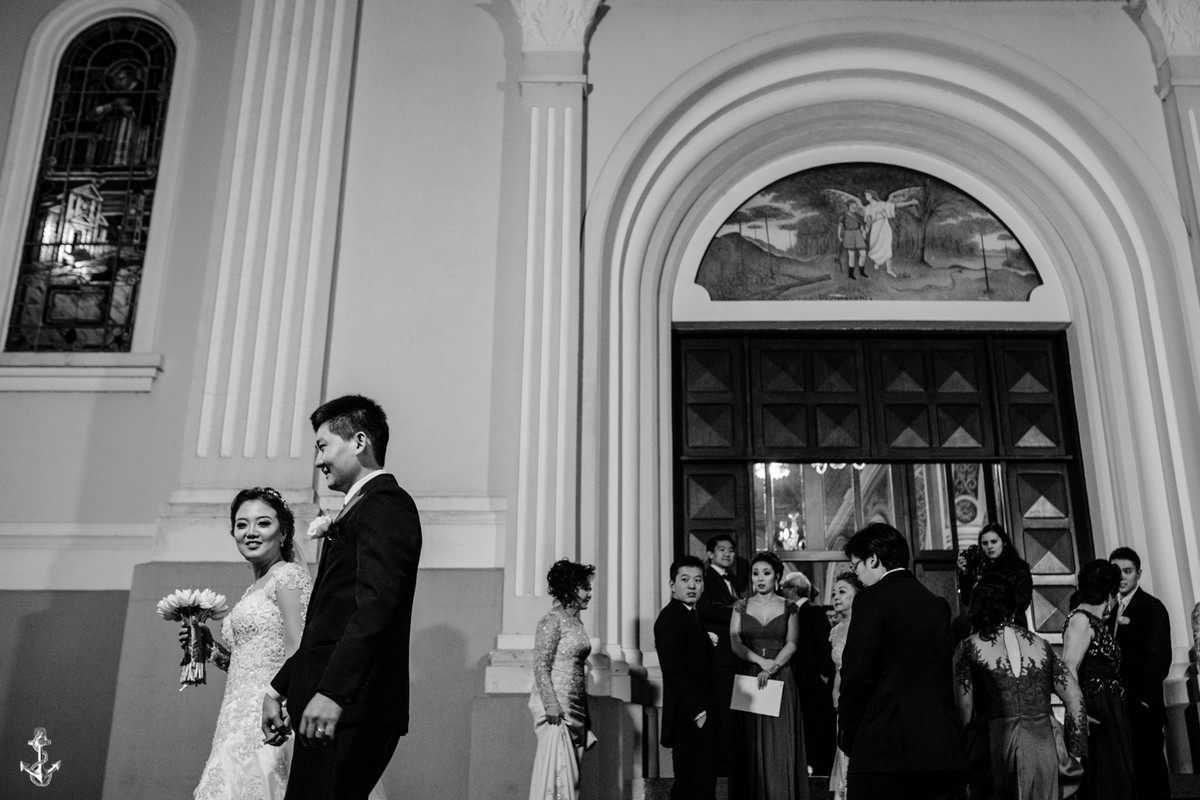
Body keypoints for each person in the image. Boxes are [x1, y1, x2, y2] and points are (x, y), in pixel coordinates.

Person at [262, 395, 423, 800]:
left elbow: (376, 606)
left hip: (350, 706)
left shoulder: (386, 505)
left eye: (323, 446)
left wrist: (334, 692)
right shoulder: (361, 509)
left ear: (359, 441)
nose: (318, 461)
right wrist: (279, 688)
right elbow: (331, 621)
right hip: (334, 703)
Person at [192, 488, 313, 800]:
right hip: (234, 722)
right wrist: (212, 650)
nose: (251, 532)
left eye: (263, 523)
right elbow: (249, 663)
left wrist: (287, 707)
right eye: (242, 525)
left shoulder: (287, 577)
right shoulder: (254, 588)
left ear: (283, 533)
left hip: (269, 718)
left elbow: (300, 651)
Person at [838, 522, 967, 800]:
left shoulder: (870, 599)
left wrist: (848, 732)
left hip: (885, 746)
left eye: (856, 566)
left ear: (873, 559)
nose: (856, 574)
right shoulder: (937, 605)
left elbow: (857, 673)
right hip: (940, 745)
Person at [952, 573, 1086, 800]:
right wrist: (1076, 754)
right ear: (1011, 608)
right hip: (1043, 745)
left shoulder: (967, 648)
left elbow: (964, 711)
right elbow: (1075, 699)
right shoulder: (1041, 646)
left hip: (995, 745)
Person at [729, 551, 809, 799]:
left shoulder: (789, 607)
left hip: (780, 675)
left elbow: (792, 643)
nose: (760, 578)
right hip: (750, 676)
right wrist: (760, 662)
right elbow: (735, 643)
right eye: (755, 573)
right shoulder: (740, 606)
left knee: (780, 743)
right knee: (749, 744)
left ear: (777, 576)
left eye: (766, 573)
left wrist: (772, 667)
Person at [1062, 559, 1135, 800]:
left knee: (1117, 777)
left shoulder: (1095, 621)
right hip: (1097, 709)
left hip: (1111, 707)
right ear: (1109, 591)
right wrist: (1079, 714)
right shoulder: (1080, 620)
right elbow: (1069, 668)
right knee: (1107, 779)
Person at [528, 558, 596, 800]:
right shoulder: (552, 620)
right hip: (558, 710)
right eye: (585, 588)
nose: (589, 594)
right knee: (558, 777)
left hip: (576, 709)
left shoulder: (576, 622)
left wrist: (586, 716)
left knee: (572, 781)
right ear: (570, 589)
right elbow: (541, 665)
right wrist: (551, 704)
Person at [654, 555, 719, 800]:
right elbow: (673, 672)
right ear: (672, 585)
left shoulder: (691, 615)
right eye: (685, 579)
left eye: (698, 580)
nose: (692, 585)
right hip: (689, 719)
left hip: (699, 716)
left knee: (699, 787)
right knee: (692, 787)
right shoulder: (671, 617)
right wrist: (698, 713)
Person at [1109, 547, 1172, 800]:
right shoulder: (1111, 610)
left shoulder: (1152, 607)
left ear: (1139, 574)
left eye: (1128, 571)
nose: (1122, 576)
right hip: (1119, 705)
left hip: (1142, 705)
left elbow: (1159, 657)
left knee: (1151, 770)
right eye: (1116, 571)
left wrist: (1144, 699)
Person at [696, 533, 747, 776]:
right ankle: (723, 766)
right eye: (722, 549)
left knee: (734, 713)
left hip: (734, 657)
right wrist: (740, 611)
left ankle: (732, 763)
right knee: (723, 712)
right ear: (710, 554)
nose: (727, 554)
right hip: (719, 658)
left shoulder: (732, 582)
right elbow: (704, 608)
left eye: (731, 550)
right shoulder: (706, 577)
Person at [779, 571, 836, 776]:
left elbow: (825, 647)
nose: (781, 591)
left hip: (812, 686)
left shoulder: (812, 612)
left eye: (783, 587)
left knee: (816, 733)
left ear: (793, 590)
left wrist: (822, 677)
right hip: (797, 685)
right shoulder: (790, 613)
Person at [828, 570, 863, 800]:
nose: (836, 597)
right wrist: (835, 693)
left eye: (842, 591)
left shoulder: (865, 625)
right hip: (842, 699)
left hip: (861, 697)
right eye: (834, 593)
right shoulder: (836, 630)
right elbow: (838, 668)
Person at [957, 523, 1034, 629]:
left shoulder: (1018, 567)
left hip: (1012, 625)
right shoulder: (979, 568)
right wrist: (966, 573)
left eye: (994, 542)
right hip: (983, 627)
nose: (989, 547)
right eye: (985, 543)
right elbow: (967, 600)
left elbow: (1023, 600)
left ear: (1004, 542)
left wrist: (995, 601)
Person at [860, 190, 918, 277]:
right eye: (865, 195)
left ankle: (889, 269)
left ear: (872, 195)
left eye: (867, 195)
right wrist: (866, 230)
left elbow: (895, 206)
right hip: (875, 228)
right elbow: (868, 221)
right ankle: (877, 263)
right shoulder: (868, 208)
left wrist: (911, 202)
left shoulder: (881, 204)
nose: (866, 197)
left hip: (884, 227)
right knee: (874, 246)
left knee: (886, 247)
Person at [837, 201, 868, 280]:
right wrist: (839, 236)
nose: (854, 207)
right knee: (851, 255)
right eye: (852, 206)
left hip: (858, 234)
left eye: (855, 206)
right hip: (849, 234)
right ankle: (851, 274)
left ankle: (862, 272)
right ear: (848, 207)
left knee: (863, 254)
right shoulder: (843, 216)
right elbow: (840, 227)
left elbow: (861, 226)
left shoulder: (857, 215)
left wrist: (863, 232)